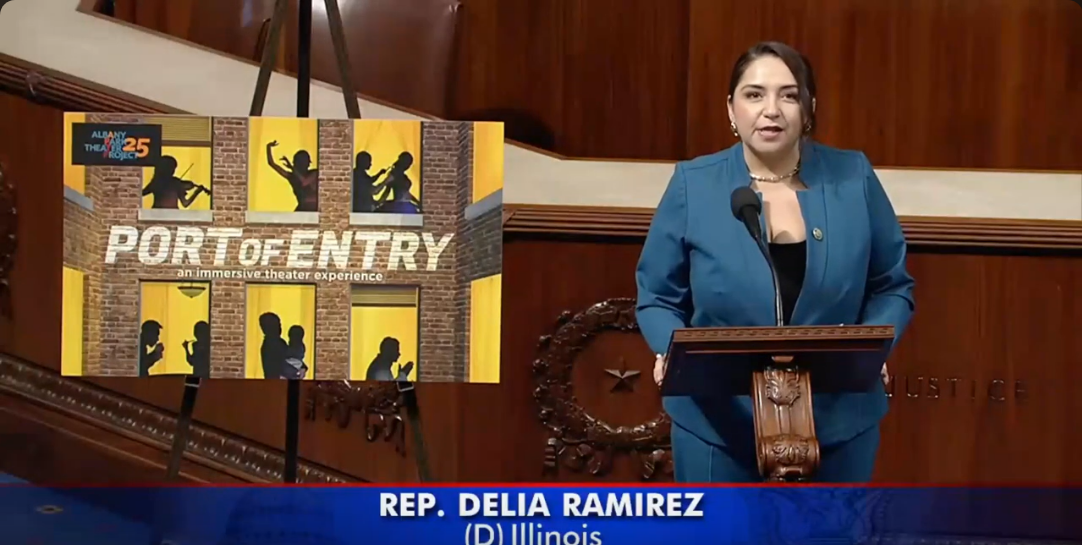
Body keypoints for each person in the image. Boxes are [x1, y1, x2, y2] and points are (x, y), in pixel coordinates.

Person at [635, 41, 915, 483]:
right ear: (731, 109)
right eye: (754, 94)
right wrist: (673, 349)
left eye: (788, 95)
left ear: (809, 108)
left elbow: (892, 285)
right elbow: (656, 296)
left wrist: (874, 346)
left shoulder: (853, 176)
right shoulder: (693, 184)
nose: (772, 110)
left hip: (839, 413)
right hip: (718, 414)